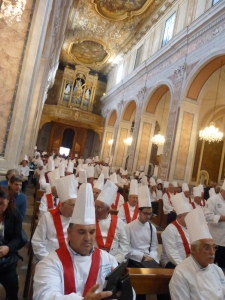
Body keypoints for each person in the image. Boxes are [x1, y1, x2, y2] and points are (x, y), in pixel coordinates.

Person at [33, 183, 119, 300]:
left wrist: (122, 289)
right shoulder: (50, 263)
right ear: (69, 233)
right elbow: (45, 296)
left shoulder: (109, 260)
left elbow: (129, 294)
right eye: (81, 232)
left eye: (92, 232)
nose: (88, 238)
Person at [169, 206, 225, 299]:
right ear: (194, 249)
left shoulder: (217, 270)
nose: (212, 252)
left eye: (214, 247)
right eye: (206, 248)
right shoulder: (181, 273)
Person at [32, 174, 77, 261]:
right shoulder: (47, 217)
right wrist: (49, 261)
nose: (76, 209)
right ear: (63, 204)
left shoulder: (77, 220)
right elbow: (37, 243)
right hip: (49, 258)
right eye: (73, 205)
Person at [125, 185, 159, 300]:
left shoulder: (152, 228)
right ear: (139, 211)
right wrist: (142, 257)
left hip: (149, 259)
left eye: (150, 214)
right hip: (134, 259)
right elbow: (127, 249)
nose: (148, 216)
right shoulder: (129, 227)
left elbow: (154, 247)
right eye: (145, 213)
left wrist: (151, 257)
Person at [95, 180, 129, 263]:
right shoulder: (90, 221)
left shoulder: (119, 222)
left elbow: (124, 244)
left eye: (99, 207)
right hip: (93, 260)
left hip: (114, 261)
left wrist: (115, 260)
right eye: (94, 206)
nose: (95, 210)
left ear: (107, 209)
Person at [0, 187, 23, 300]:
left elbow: (18, 238)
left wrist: (8, 248)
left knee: (13, 289)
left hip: (6, 258)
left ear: (8, 200)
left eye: (2, 204)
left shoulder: (14, 214)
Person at [161, 193, 191, 269]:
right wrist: (184, 267)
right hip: (172, 262)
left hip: (188, 261)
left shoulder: (189, 227)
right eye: (188, 216)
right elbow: (172, 254)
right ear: (180, 217)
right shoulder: (170, 229)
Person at [204, 181, 225, 269]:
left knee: (222, 267)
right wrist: (222, 218)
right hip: (215, 240)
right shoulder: (213, 200)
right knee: (209, 266)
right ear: (222, 190)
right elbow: (206, 216)